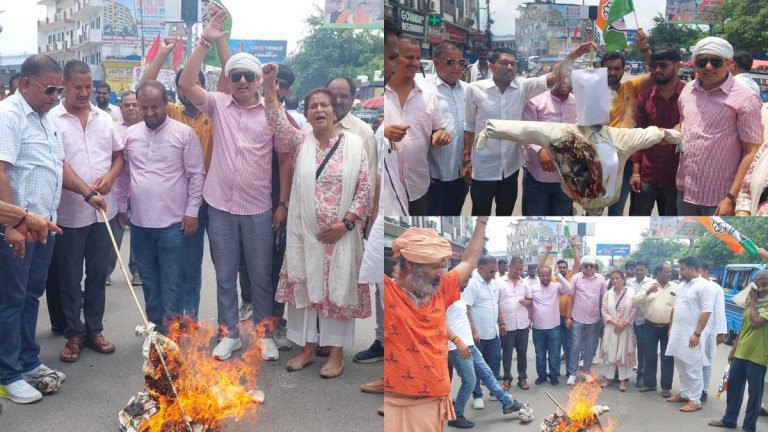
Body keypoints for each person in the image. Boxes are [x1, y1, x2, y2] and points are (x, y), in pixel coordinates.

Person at [179, 9, 293, 361]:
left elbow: (286, 155)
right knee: (225, 275)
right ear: (229, 80)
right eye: (237, 76)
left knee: (260, 278)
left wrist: (282, 204)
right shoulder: (218, 105)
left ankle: (264, 333)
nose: (242, 81)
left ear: (259, 80)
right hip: (220, 209)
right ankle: (229, 334)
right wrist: (205, 40)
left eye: (249, 76)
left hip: (258, 209)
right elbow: (185, 83)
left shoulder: (273, 113)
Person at [0, 54, 107, 404]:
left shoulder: (46, 121)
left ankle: (28, 362)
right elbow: (0, 171)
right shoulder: (10, 116)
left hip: (45, 225)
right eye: (49, 89)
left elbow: (58, 166)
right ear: (25, 83)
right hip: (17, 230)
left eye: (58, 89)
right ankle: (7, 373)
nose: (54, 96)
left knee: (31, 298)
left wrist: (89, 193)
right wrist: (13, 223)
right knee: (11, 300)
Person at [265, 66, 371, 378]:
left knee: (336, 296)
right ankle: (307, 349)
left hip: (340, 237)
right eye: (313, 106)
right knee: (305, 294)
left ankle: (335, 354)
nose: (320, 109)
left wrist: (347, 224)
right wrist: (269, 87)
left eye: (325, 105)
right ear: (307, 114)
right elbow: (274, 119)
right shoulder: (299, 141)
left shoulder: (354, 144)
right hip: (305, 237)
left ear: (335, 111)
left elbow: (364, 189)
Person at [115, 80, 205, 335]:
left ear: (166, 104)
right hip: (141, 226)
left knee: (173, 284)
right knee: (150, 284)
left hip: (174, 225)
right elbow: (124, 176)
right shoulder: (130, 136)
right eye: (144, 108)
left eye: (155, 106)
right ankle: (156, 332)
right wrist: (122, 207)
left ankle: (172, 336)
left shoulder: (183, 133)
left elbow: (196, 174)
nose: (150, 113)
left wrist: (192, 211)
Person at [49, 60, 124, 363]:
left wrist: (110, 177)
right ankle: (73, 334)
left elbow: (119, 157)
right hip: (69, 214)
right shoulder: (52, 119)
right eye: (77, 87)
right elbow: (58, 164)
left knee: (97, 275)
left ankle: (94, 330)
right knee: (69, 277)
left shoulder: (105, 119)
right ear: (64, 85)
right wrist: (86, 191)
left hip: (102, 214)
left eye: (88, 87)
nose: (83, 93)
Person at [463, 42, 594, 216]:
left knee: (505, 214)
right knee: (480, 214)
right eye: (504, 63)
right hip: (483, 168)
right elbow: (469, 126)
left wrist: (576, 53)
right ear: (491, 67)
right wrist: (466, 160)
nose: (510, 67)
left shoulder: (523, 87)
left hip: (510, 168)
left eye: (513, 63)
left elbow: (555, 75)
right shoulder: (474, 90)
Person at [383, 218, 487, 431]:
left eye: (443, 266)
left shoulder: (441, 290)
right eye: (435, 267)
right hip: (401, 398)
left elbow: (469, 261)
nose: (442, 272)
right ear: (411, 264)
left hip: (436, 394)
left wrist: (482, 222)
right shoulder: (389, 292)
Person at [676, 37, 762, 216]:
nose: (708, 67)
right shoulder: (688, 90)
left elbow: (752, 152)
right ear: (695, 64)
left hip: (719, 198)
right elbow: (683, 124)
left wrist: (731, 198)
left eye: (715, 61)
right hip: (685, 191)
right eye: (702, 61)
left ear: (729, 63)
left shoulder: (745, 98)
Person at [386, 35, 451, 215]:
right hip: (386, 187)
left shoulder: (428, 96)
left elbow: (439, 129)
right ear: (392, 57)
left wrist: (440, 135)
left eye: (417, 58)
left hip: (417, 186)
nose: (415, 63)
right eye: (408, 57)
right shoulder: (382, 97)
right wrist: (384, 134)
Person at [447, 288, 524, 429]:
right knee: (469, 382)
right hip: (456, 347)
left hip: (469, 343)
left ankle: (507, 402)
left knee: (487, 372)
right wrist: (457, 341)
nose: (468, 281)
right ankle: (456, 416)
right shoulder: (443, 295)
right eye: (466, 278)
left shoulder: (460, 294)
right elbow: (440, 322)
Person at [708, 269, 768, 431]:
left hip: (758, 355)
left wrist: (754, 300)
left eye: (766, 285)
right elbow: (744, 326)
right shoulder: (751, 301)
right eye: (759, 285)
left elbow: (756, 322)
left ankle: (749, 426)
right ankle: (729, 419)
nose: (762, 288)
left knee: (754, 395)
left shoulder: (762, 303)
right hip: (741, 352)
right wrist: (733, 349)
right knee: (734, 389)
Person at [603, 28, 654, 216]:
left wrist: (644, 49)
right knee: (594, 204)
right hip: (598, 158)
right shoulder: (590, 90)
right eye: (608, 68)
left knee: (616, 208)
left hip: (625, 159)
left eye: (617, 68)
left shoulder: (630, 88)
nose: (612, 72)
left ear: (624, 70)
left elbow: (656, 73)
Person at [630, 44, 686, 216]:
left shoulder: (689, 96)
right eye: (654, 66)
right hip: (647, 174)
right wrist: (635, 173)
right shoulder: (644, 99)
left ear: (677, 66)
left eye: (663, 65)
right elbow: (638, 137)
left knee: (671, 226)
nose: (657, 70)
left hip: (676, 176)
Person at [665, 256, 715, 412]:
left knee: (693, 367)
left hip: (691, 334)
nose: (680, 272)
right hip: (678, 333)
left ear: (692, 269)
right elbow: (676, 308)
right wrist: (671, 328)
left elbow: (707, 311)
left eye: (682, 269)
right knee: (680, 365)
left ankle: (695, 400)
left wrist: (697, 333)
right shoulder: (682, 285)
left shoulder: (705, 286)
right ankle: (685, 394)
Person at [521, 77, 576, 216]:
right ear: (552, 78)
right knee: (535, 223)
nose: (565, 80)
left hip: (567, 179)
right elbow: (527, 131)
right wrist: (539, 149)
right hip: (538, 177)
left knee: (561, 224)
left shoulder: (578, 103)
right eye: (561, 75)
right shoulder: (535, 100)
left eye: (569, 76)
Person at [425, 42, 468, 216]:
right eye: (451, 62)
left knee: (454, 213)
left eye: (461, 62)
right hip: (432, 175)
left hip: (460, 174)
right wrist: (433, 135)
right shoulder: (423, 89)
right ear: (436, 63)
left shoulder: (468, 90)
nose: (457, 68)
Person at [106, 92, 142, 286]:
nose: (130, 108)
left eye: (134, 105)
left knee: (138, 230)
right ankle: (106, 270)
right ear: (120, 108)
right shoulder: (113, 130)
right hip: (117, 188)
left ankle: (137, 271)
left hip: (141, 189)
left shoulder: (148, 129)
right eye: (126, 105)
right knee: (115, 231)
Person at [463, 255, 503, 408]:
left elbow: (496, 304)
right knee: (475, 366)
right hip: (477, 335)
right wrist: (473, 331)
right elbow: (466, 308)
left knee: (494, 362)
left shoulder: (494, 283)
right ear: (480, 268)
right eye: (491, 271)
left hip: (493, 333)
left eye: (496, 271)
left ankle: (494, 392)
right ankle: (477, 396)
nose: (494, 274)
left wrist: (501, 323)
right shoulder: (472, 284)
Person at [634, 263, 677, 398]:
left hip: (668, 328)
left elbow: (678, 308)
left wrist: (673, 328)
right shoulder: (647, 285)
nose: (670, 274)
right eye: (667, 272)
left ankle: (666, 387)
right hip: (650, 326)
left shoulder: (675, 287)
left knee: (667, 358)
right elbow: (634, 301)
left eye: (670, 272)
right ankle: (650, 384)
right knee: (650, 355)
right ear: (658, 273)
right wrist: (647, 293)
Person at [538, 239, 581, 375]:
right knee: (555, 348)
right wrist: (547, 251)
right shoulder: (552, 279)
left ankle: (569, 372)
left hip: (569, 318)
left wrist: (574, 246)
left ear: (567, 269)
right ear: (556, 269)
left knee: (569, 346)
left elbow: (578, 263)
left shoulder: (572, 277)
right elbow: (540, 268)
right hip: (555, 320)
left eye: (564, 268)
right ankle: (555, 373)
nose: (561, 270)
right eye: (559, 268)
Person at [566, 256, 606, 385]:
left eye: (591, 265)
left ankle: (586, 371)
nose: (588, 268)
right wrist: (567, 317)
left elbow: (604, 299)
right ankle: (572, 373)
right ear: (582, 266)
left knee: (590, 347)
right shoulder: (575, 278)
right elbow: (570, 297)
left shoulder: (601, 279)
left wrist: (604, 318)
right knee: (575, 346)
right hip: (577, 318)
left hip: (594, 319)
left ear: (594, 267)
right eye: (586, 265)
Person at [529, 264, 571, 386]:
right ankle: (542, 375)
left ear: (551, 275)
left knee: (554, 353)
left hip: (554, 327)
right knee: (540, 353)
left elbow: (568, 288)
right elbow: (530, 305)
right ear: (539, 276)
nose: (545, 277)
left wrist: (558, 274)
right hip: (538, 328)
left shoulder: (556, 287)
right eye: (543, 275)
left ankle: (553, 375)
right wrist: (528, 319)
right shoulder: (533, 288)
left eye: (548, 275)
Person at [598, 269, 637, 392]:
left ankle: (622, 380)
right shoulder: (607, 294)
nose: (615, 281)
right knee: (610, 351)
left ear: (623, 279)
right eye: (613, 278)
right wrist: (616, 324)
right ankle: (608, 378)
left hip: (625, 329)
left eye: (617, 278)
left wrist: (624, 325)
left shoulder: (631, 293)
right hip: (611, 328)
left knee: (623, 353)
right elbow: (603, 312)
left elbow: (634, 310)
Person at [498, 256, 531, 391]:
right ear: (510, 266)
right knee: (507, 353)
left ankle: (522, 378)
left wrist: (526, 302)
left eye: (520, 269)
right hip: (507, 324)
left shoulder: (524, 283)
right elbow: (496, 304)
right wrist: (501, 323)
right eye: (516, 269)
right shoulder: (499, 282)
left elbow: (530, 300)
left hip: (522, 324)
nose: (518, 272)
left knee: (522, 353)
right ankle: (507, 378)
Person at [699, 261, 727, 403]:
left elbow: (720, 310)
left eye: (700, 272)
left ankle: (704, 390)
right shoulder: (692, 286)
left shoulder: (716, 288)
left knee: (707, 361)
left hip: (710, 330)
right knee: (693, 361)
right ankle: (693, 388)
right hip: (695, 330)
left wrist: (721, 332)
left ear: (706, 272)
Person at [626, 260, 653, 388]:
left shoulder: (651, 283)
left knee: (642, 348)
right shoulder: (628, 282)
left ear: (646, 270)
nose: (639, 272)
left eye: (642, 270)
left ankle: (640, 375)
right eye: (637, 269)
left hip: (643, 320)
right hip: (629, 320)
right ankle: (622, 374)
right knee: (627, 346)